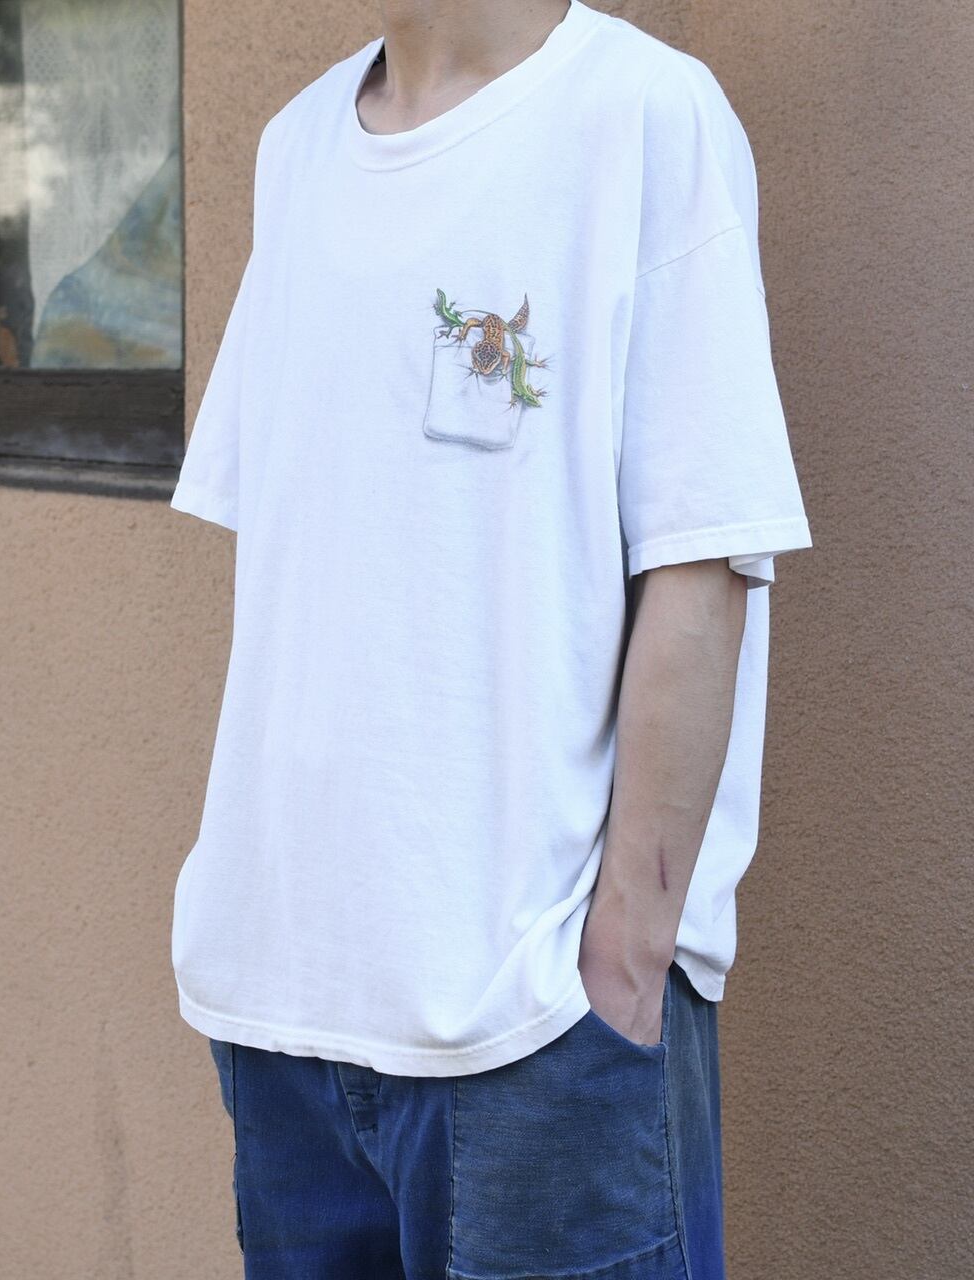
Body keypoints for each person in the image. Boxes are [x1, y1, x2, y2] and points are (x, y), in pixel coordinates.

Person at [168, 0, 813, 1274]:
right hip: (283, 1015)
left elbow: (701, 557)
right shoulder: (297, 146)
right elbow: (309, 551)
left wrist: (622, 962)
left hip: (542, 1021)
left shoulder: (641, 116)